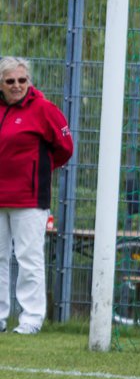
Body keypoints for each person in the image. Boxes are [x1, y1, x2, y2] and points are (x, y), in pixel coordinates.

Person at [0, 56, 74, 335]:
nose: (16, 86)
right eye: (10, 81)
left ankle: (31, 319)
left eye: (22, 80)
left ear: (29, 81)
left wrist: (37, 170)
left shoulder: (44, 109)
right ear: (1, 84)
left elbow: (65, 147)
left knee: (28, 258)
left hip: (29, 200)